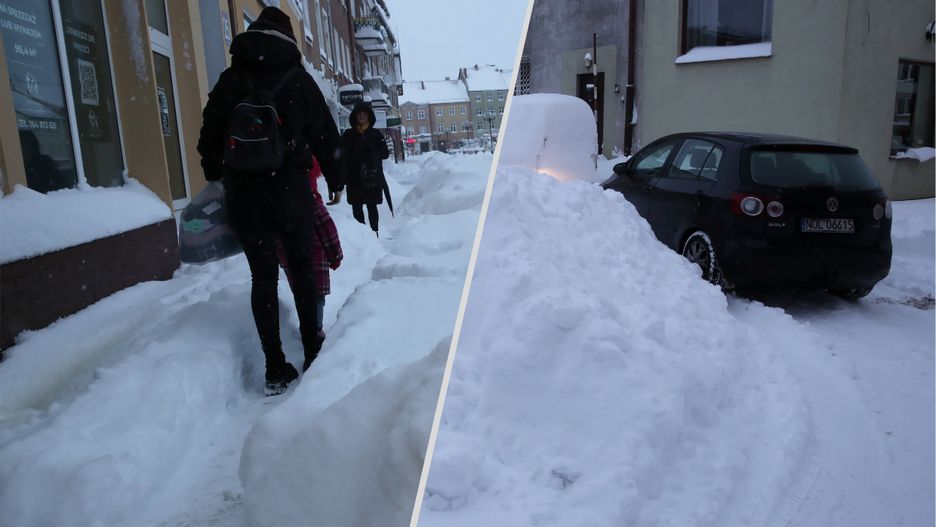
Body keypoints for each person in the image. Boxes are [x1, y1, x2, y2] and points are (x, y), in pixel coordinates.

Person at [197, 6, 343, 395]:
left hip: (246, 196)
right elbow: (326, 134)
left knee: (263, 277)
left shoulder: (231, 79)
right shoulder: (297, 79)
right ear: (288, 38)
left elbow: (207, 137)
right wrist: (336, 178)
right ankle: (313, 350)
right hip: (290, 192)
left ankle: (274, 365)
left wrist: (218, 173)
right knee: (301, 271)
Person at [275, 157, 342, 372]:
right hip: (315, 261)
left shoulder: (281, 207)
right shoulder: (312, 203)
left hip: (292, 263)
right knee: (317, 299)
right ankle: (316, 331)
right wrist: (335, 254)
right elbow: (328, 230)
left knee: (302, 298)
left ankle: (311, 331)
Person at [339, 102, 391, 235]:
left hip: (371, 177)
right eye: (359, 114)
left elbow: (385, 153)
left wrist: (373, 153)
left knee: (372, 206)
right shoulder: (348, 135)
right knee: (357, 208)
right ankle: (362, 235)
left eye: (364, 114)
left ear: (369, 117)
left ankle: (374, 232)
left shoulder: (375, 134)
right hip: (354, 177)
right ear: (355, 117)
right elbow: (342, 155)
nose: (362, 116)